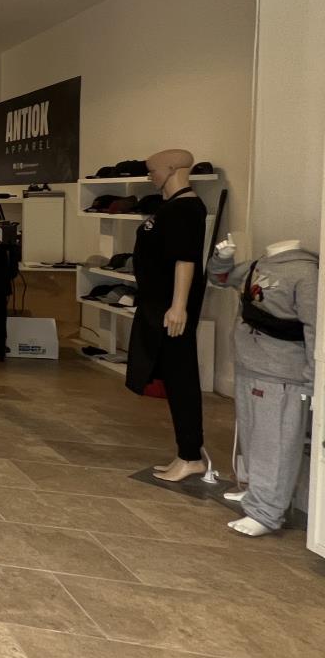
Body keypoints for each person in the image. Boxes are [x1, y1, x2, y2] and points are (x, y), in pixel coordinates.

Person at [125, 148, 209, 482]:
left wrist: (178, 306)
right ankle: (186, 453)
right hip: (158, 305)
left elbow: (185, 260)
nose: (150, 176)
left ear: (172, 168)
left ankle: (191, 455)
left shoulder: (186, 209)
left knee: (181, 377)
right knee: (174, 378)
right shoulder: (170, 207)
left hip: (171, 309)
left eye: (153, 170)